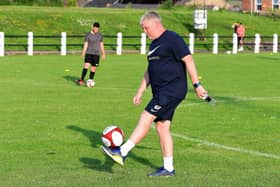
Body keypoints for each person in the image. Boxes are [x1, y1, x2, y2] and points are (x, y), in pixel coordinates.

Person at [101, 11, 208, 177]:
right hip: (161, 91)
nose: (145, 32)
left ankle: (122, 151)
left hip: (172, 89)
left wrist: (197, 84)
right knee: (162, 126)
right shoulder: (153, 45)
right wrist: (140, 90)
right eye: (143, 29)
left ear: (157, 24)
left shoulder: (172, 38)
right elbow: (150, 70)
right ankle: (168, 168)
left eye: (146, 28)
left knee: (146, 116)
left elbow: (188, 59)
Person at [76, 22, 106, 86]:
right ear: (93, 27)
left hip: (96, 54)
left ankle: (90, 80)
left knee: (93, 68)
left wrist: (103, 53)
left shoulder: (100, 35)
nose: (97, 30)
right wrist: (83, 52)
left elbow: (101, 44)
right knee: (86, 66)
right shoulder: (88, 35)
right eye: (96, 28)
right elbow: (86, 44)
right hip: (89, 53)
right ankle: (81, 80)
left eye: (98, 29)